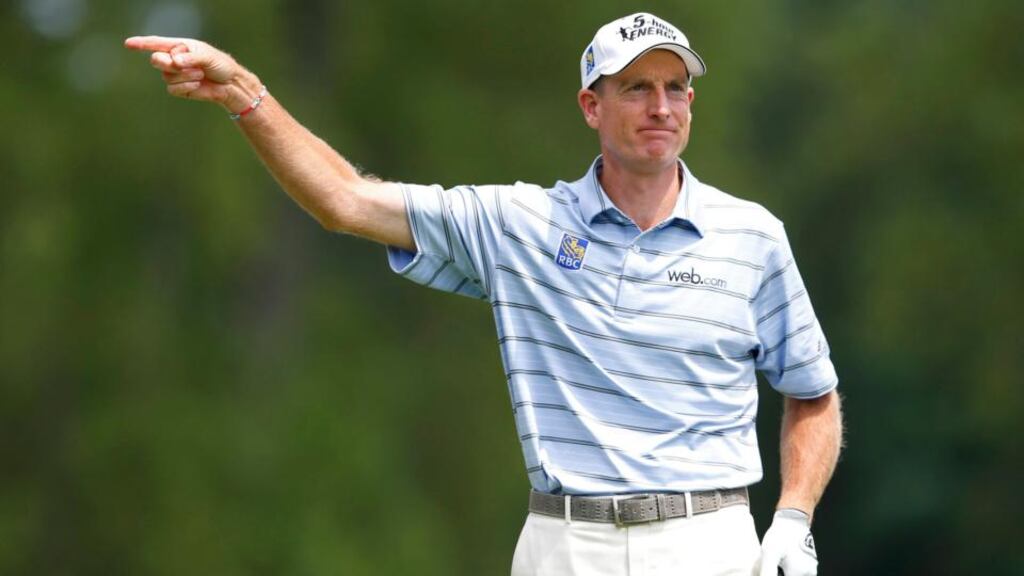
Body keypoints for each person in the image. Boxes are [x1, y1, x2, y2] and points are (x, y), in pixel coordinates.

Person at [126, 11, 843, 576]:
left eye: (675, 88)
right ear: (591, 107)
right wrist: (242, 92)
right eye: (636, 88)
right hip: (564, 546)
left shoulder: (752, 237)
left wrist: (792, 520)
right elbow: (344, 200)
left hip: (708, 544)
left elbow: (812, 395)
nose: (661, 106)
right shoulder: (519, 225)